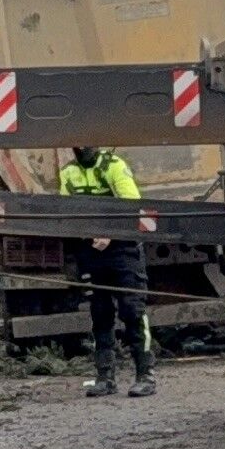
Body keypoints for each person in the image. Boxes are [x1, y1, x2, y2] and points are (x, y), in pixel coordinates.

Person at [60, 143, 154, 399]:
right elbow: (66, 212)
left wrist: (110, 235)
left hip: (123, 249)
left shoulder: (114, 166)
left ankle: (145, 375)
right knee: (100, 314)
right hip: (90, 251)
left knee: (132, 310)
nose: (81, 147)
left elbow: (132, 206)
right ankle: (105, 377)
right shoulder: (68, 172)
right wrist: (89, 235)